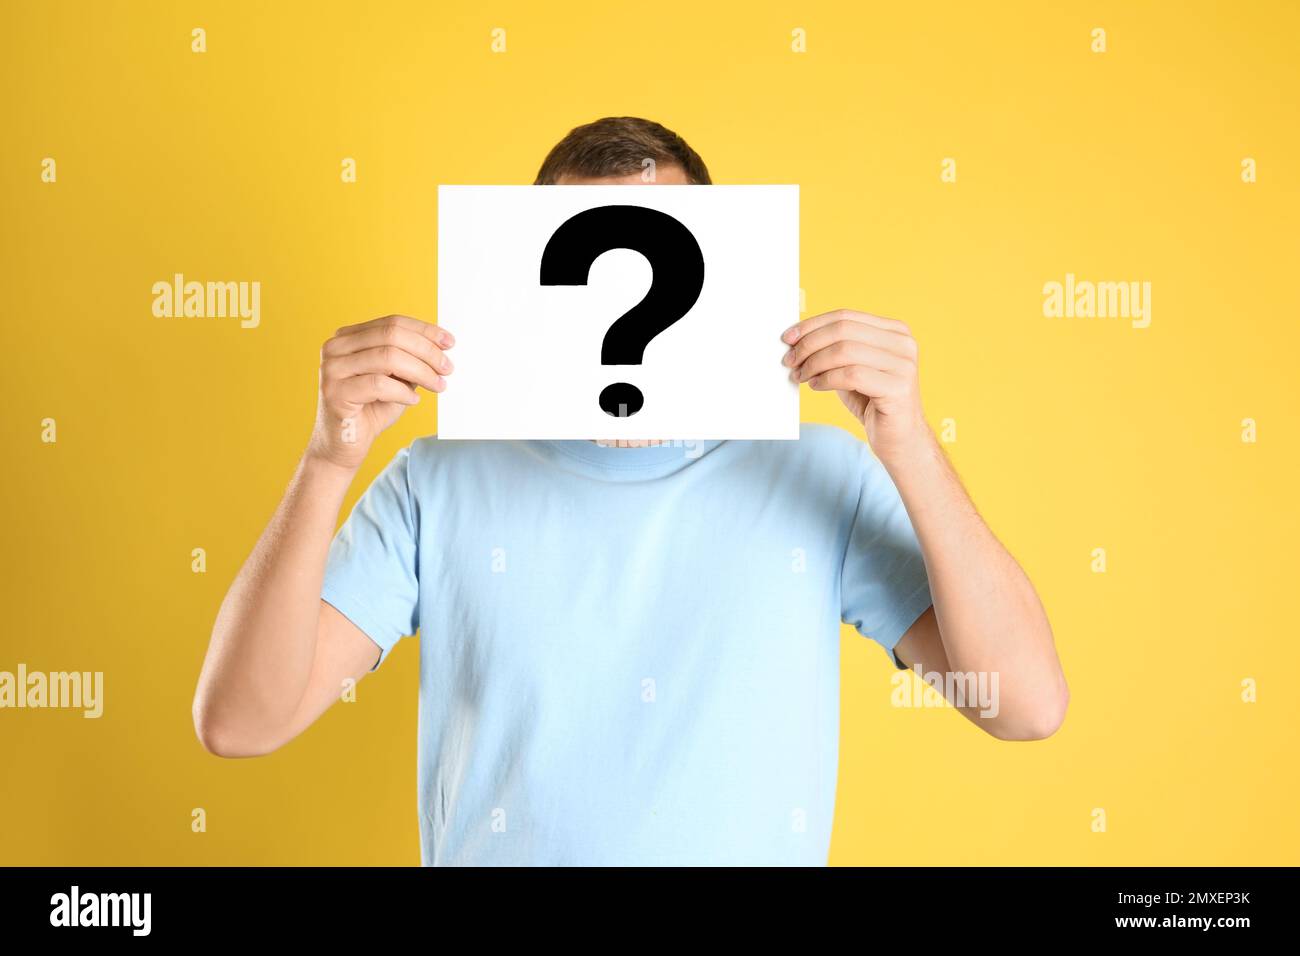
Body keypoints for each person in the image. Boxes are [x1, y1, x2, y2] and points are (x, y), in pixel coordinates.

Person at [192, 116, 1068, 866]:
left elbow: (1027, 705)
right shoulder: (437, 481)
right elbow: (239, 723)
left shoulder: (818, 473)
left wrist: (909, 445)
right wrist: (328, 461)